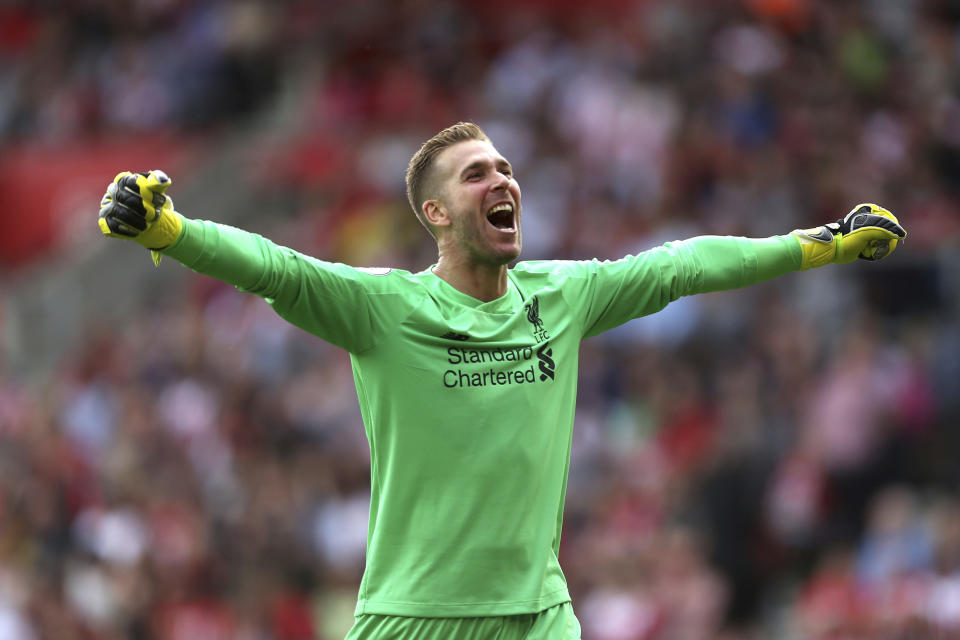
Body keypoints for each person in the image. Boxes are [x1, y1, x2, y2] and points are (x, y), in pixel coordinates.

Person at [97, 122, 906, 639]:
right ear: (437, 215)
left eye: (506, 168)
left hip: (538, 615)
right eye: (477, 174)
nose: (503, 181)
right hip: (414, 616)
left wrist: (819, 244)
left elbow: (681, 265)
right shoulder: (384, 309)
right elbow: (278, 268)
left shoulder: (564, 295)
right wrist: (173, 230)